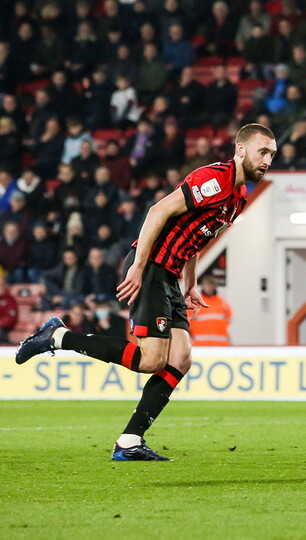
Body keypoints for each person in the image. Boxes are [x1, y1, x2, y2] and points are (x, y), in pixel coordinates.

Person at [15, 123, 277, 459]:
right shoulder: (214, 181)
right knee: (151, 360)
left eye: (271, 153)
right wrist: (139, 265)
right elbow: (159, 211)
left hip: (170, 277)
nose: (267, 159)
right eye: (262, 151)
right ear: (241, 150)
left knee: (180, 360)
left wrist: (191, 283)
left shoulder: (238, 198)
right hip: (152, 267)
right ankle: (58, 336)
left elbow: (199, 234)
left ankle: (129, 442)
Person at [189, 275, 233, 346]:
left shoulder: (222, 303)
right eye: (207, 285)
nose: (209, 287)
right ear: (203, 286)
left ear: (214, 286)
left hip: (220, 344)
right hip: (200, 344)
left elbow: (229, 320)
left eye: (211, 285)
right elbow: (188, 321)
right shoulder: (196, 302)